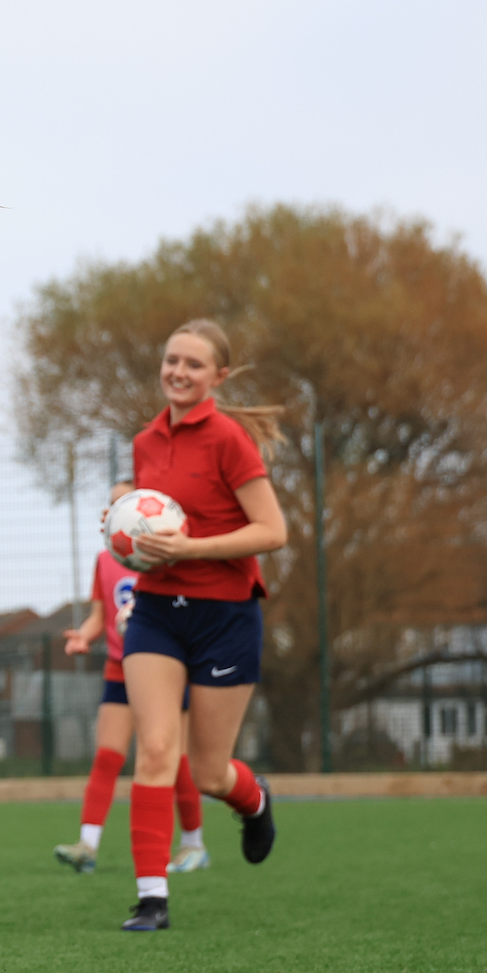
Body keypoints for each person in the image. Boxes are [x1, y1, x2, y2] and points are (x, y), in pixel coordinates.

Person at [116, 319, 289, 932]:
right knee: (156, 749)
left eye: (193, 364)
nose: (178, 372)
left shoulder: (229, 440)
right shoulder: (144, 442)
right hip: (157, 612)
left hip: (225, 616)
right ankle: (151, 898)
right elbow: (149, 518)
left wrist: (189, 549)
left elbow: (272, 531)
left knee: (209, 772)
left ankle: (255, 800)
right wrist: (122, 522)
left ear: (219, 376)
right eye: (172, 360)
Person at [53, 483, 207, 876]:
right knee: (107, 755)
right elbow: (99, 614)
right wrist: (84, 636)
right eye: (112, 504)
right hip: (119, 668)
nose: (117, 510)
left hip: (165, 671)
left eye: (127, 501)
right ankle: (87, 845)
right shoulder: (106, 559)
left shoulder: (170, 555)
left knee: (175, 759)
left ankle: (194, 844)